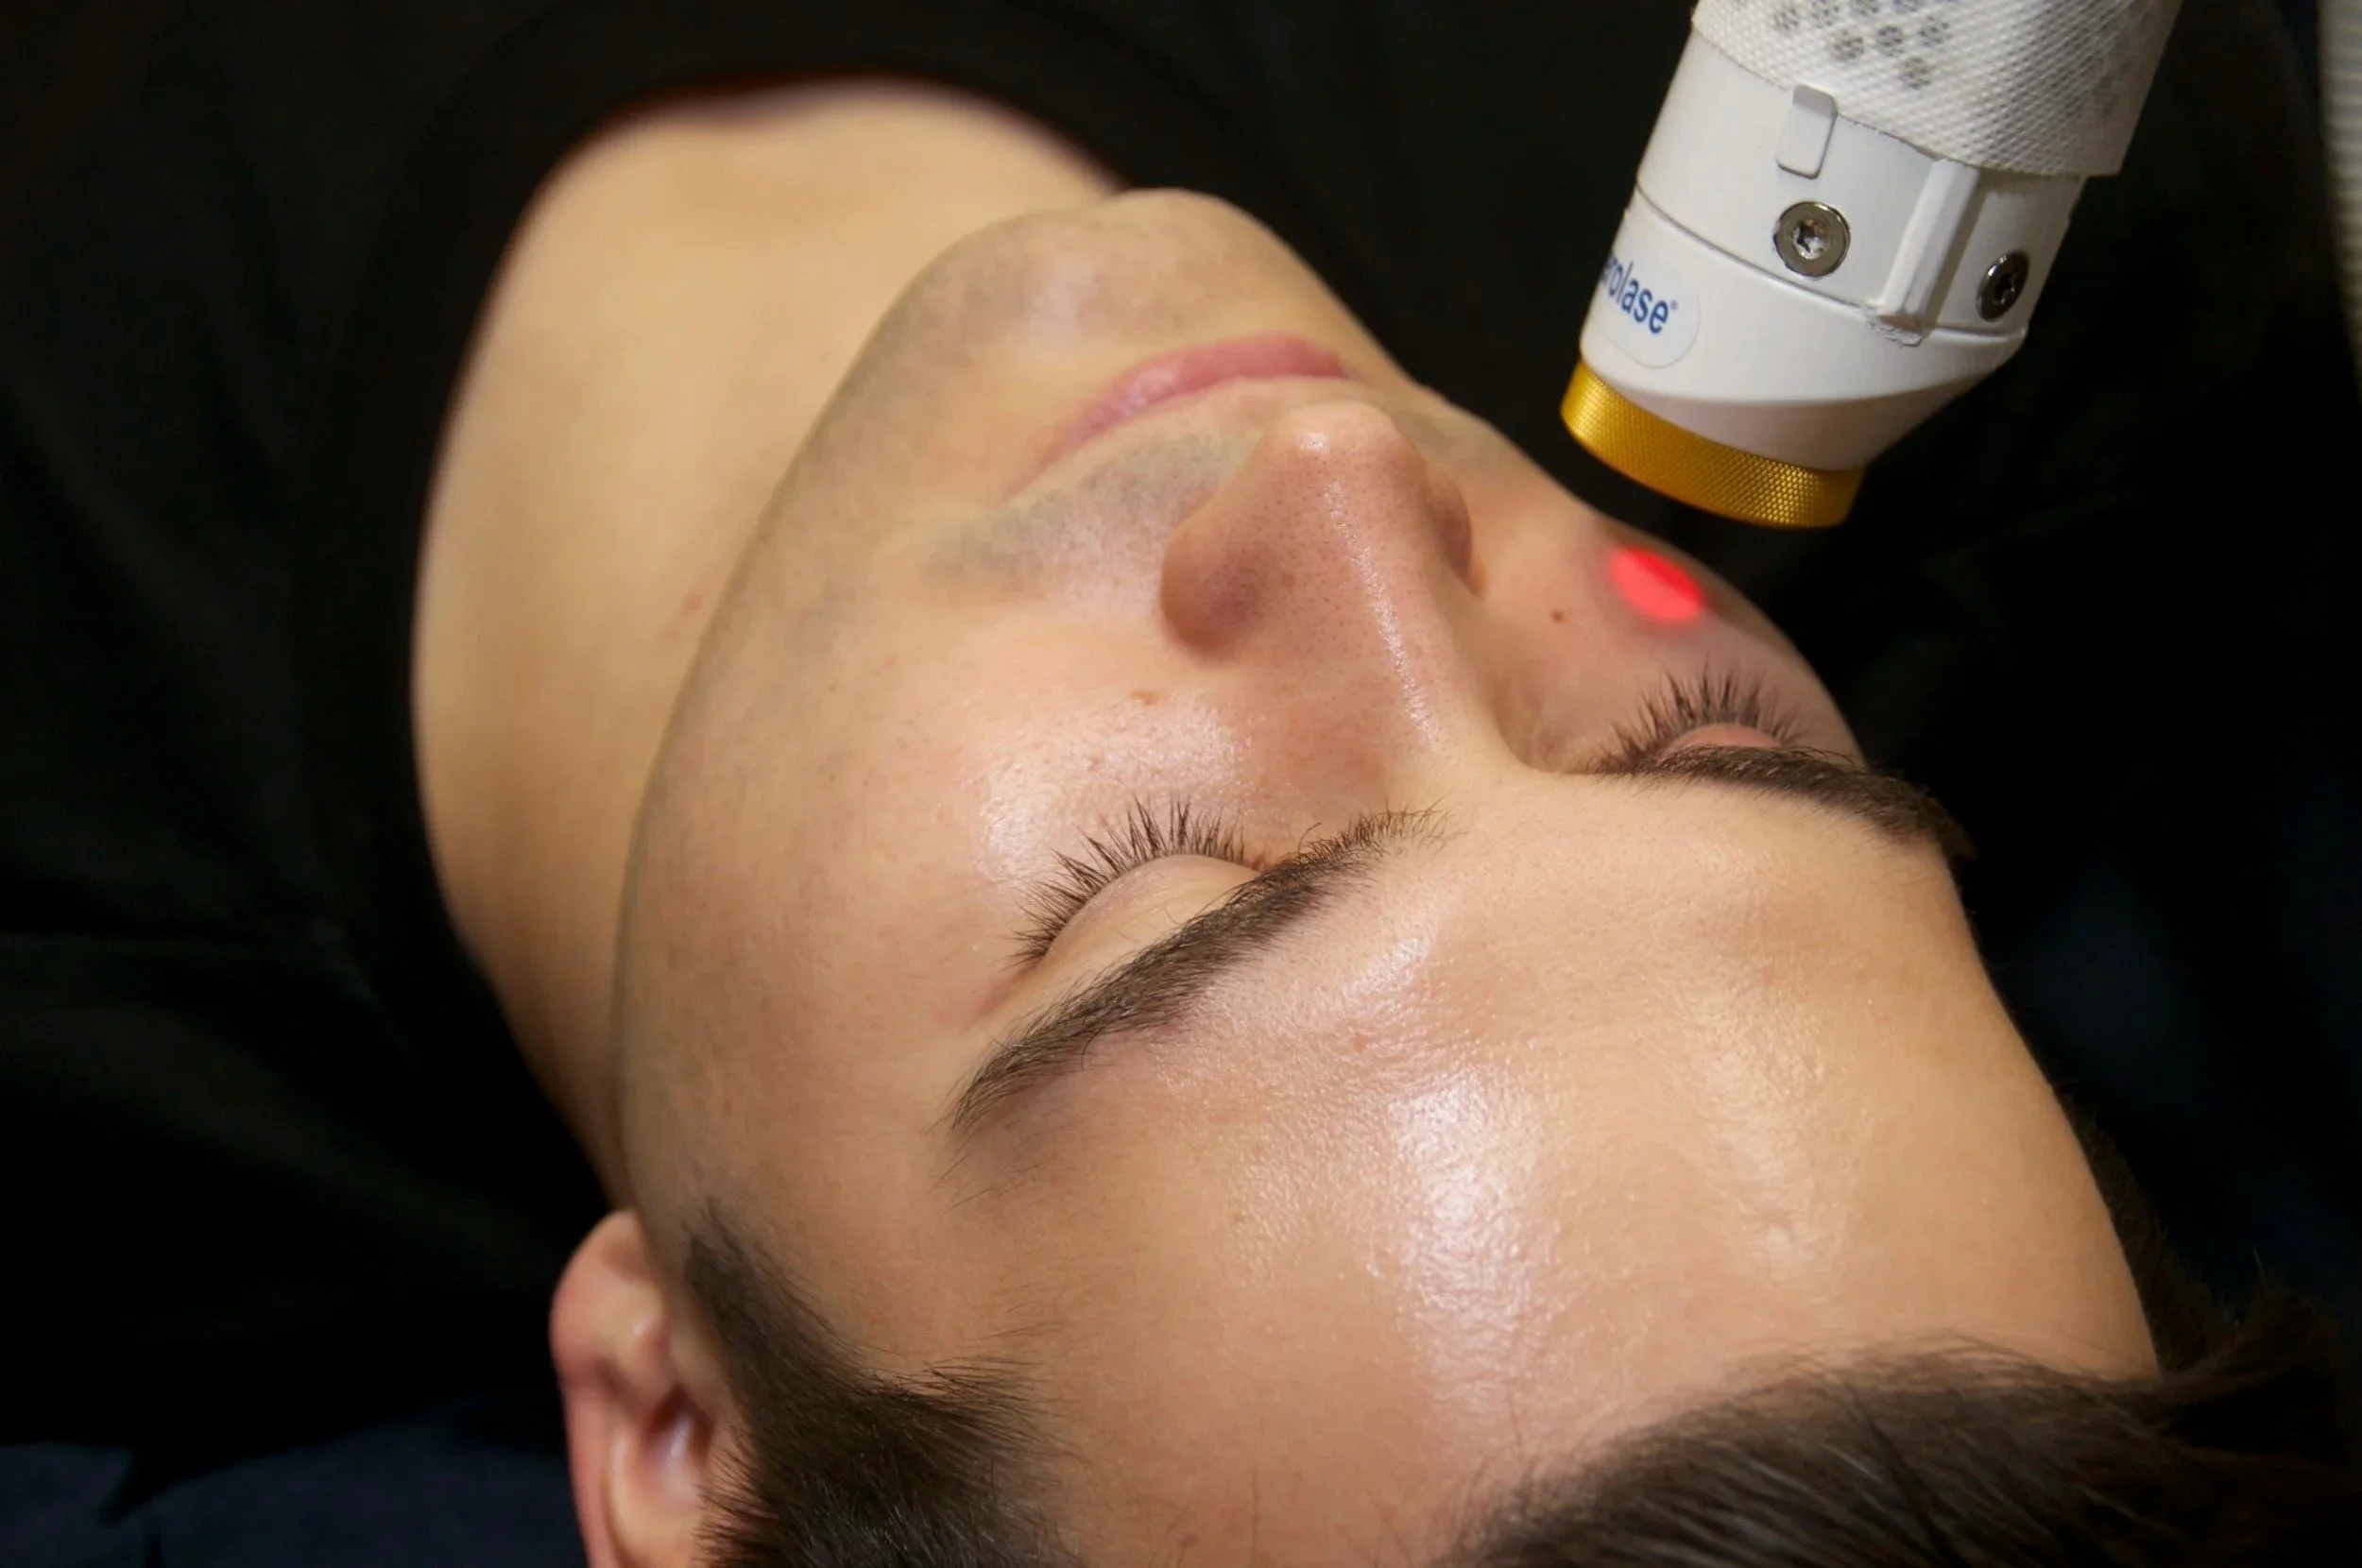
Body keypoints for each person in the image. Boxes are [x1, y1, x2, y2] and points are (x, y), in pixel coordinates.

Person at [4, 3, 2356, 1565]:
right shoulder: (2016, 301)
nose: (1347, 485)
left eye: (1154, 891)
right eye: (1704, 743)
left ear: (687, 1440)